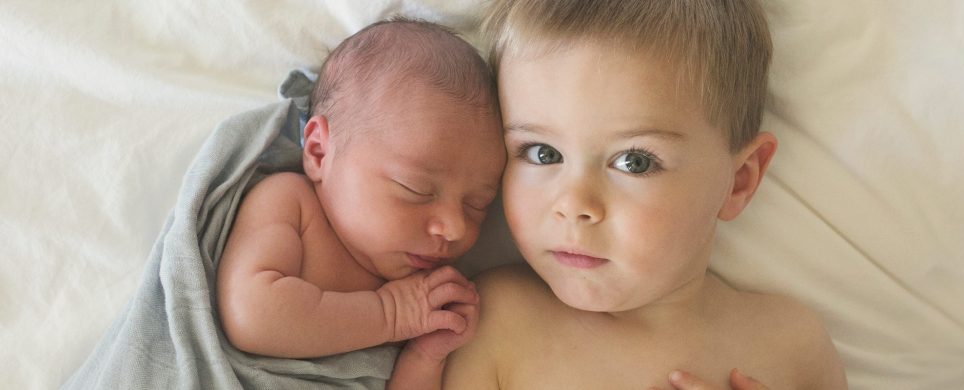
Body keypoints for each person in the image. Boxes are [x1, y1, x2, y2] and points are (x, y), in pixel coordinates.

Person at [443, 1, 848, 389]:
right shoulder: (486, 320)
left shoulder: (792, 345)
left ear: (738, 180)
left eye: (633, 162)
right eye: (542, 153)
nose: (574, 205)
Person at [215, 18, 505, 390]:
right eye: (416, 189)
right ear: (319, 152)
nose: (455, 228)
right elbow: (253, 314)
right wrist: (389, 315)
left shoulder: (422, 291)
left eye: (477, 204)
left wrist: (424, 356)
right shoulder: (291, 203)